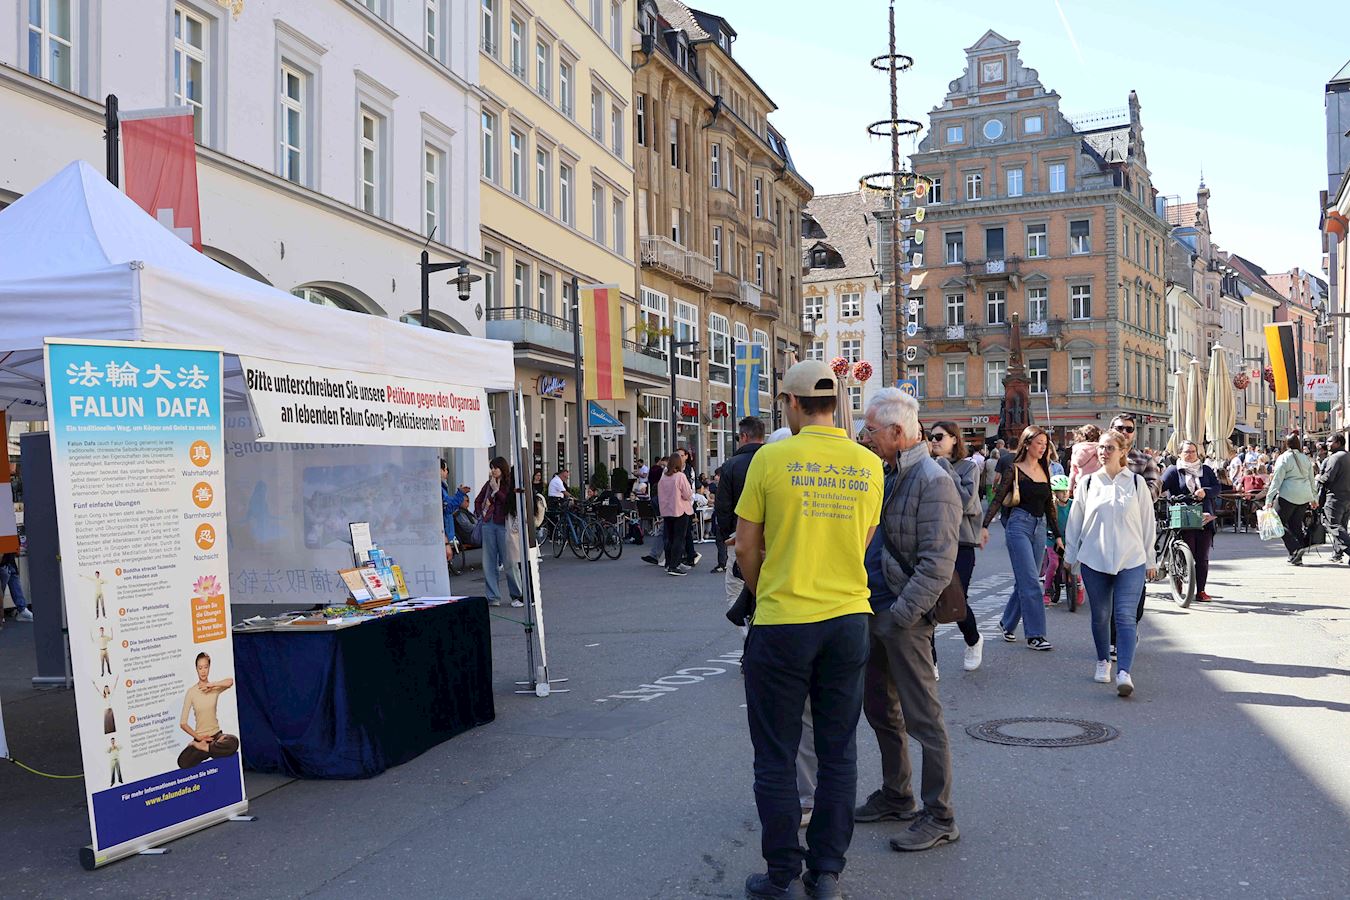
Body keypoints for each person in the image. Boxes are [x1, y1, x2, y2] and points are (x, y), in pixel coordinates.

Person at [736, 360, 882, 900]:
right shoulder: (868, 464)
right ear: (836, 404)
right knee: (839, 751)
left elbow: (746, 546)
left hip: (784, 620)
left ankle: (782, 876)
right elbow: (862, 541)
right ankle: (826, 874)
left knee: (776, 754)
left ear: (793, 404)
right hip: (848, 619)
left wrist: (763, 589)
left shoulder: (771, 458)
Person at [856, 389, 962, 853]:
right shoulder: (887, 471)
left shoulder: (933, 480)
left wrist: (901, 617)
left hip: (904, 616)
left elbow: (937, 564)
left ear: (897, 432)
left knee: (924, 718)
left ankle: (940, 815)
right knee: (880, 709)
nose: (865, 436)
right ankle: (897, 795)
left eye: (871, 430)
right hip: (875, 610)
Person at [1063, 430, 1157, 697]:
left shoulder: (1136, 483)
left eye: (1110, 448)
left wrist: (1150, 559)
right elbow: (1075, 522)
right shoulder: (1088, 483)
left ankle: (1124, 672)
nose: (1103, 452)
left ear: (1123, 451)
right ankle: (1103, 660)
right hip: (1095, 559)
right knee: (1101, 615)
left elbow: (1147, 523)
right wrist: (1070, 556)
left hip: (1131, 559)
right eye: (1101, 448)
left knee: (1125, 616)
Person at [984, 426, 1062, 650]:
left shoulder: (1045, 469)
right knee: (1031, 582)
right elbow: (998, 498)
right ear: (1027, 444)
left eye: (1045, 444)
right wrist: (984, 526)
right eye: (1039, 443)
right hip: (1019, 525)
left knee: (1026, 580)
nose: (1043, 448)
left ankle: (1006, 623)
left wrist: (1057, 535)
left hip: (1040, 527)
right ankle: (1035, 635)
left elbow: (1049, 506)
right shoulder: (1014, 469)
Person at [926, 421, 984, 672]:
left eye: (939, 436)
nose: (934, 441)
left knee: (956, 599)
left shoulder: (968, 467)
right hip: (932, 542)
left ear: (954, 439)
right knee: (927, 601)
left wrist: (945, 467)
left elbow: (966, 502)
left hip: (961, 542)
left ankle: (973, 639)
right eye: (931, 436)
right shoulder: (926, 465)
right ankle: (930, 662)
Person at [1162, 441, 1221, 600]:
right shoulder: (1173, 471)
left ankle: (1201, 591)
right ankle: (1178, 586)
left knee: (1202, 557)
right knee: (1185, 553)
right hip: (1182, 518)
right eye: (1187, 452)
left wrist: (1205, 491)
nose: (1190, 455)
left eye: (1193, 451)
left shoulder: (1205, 470)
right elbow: (1160, 486)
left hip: (1204, 517)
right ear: (1179, 454)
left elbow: (1217, 488)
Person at [715, 417, 767, 587]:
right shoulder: (774, 462)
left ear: (744, 437)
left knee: (736, 587)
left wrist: (727, 533)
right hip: (769, 536)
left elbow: (723, 505)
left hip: (738, 533)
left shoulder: (731, 465)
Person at [177, 652, 240, 768]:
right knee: (183, 761)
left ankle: (206, 749)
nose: (203, 671)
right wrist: (198, 738)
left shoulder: (214, 688)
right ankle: (210, 750)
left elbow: (230, 682)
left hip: (217, 737)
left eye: (206, 667)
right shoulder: (191, 692)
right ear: (196, 669)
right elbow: (183, 723)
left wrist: (211, 685)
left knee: (233, 742)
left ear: (209, 667)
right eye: (200, 668)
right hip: (200, 738)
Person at [475, 457, 524, 605]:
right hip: (488, 524)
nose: (493, 470)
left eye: (495, 467)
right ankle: (493, 597)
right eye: (491, 468)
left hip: (504, 524)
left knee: (510, 561)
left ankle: (517, 595)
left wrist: (497, 491)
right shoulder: (489, 484)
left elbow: (509, 503)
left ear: (503, 468)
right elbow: (478, 500)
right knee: (489, 562)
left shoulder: (509, 484)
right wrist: (481, 514)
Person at [1265, 433, 1319, 565]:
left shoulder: (1284, 458)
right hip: (1304, 495)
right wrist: (1314, 498)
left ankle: (1295, 549)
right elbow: (1311, 480)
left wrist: (1269, 499)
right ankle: (1296, 557)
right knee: (1296, 525)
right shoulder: (1305, 458)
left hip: (1288, 494)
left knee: (1277, 522)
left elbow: (1277, 480)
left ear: (1286, 444)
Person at [658, 452, 693, 576]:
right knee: (679, 538)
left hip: (667, 510)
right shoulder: (680, 476)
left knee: (670, 537)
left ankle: (669, 563)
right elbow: (688, 494)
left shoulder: (663, 477)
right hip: (680, 510)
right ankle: (674, 565)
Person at [1317, 433, 1350, 563]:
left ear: (1338, 443)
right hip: (1346, 496)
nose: (1328, 444)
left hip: (1335, 496)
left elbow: (1328, 478)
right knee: (1341, 526)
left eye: (1330, 442)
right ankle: (1337, 553)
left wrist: (1318, 478)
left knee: (1333, 525)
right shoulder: (1347, 456)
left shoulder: (1335, 458)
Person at [1067, 424, 1102, 493]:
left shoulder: (1076, 450)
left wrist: (1070, 488)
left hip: (1081, 485)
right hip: (1098, 484)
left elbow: (1074, 472)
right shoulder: (1100, 449)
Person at [0, 550, 31, 622]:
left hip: (7, 557)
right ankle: (22, 609)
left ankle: (22, 609)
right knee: (6, 578)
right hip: (5, 557)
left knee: (11, 575)